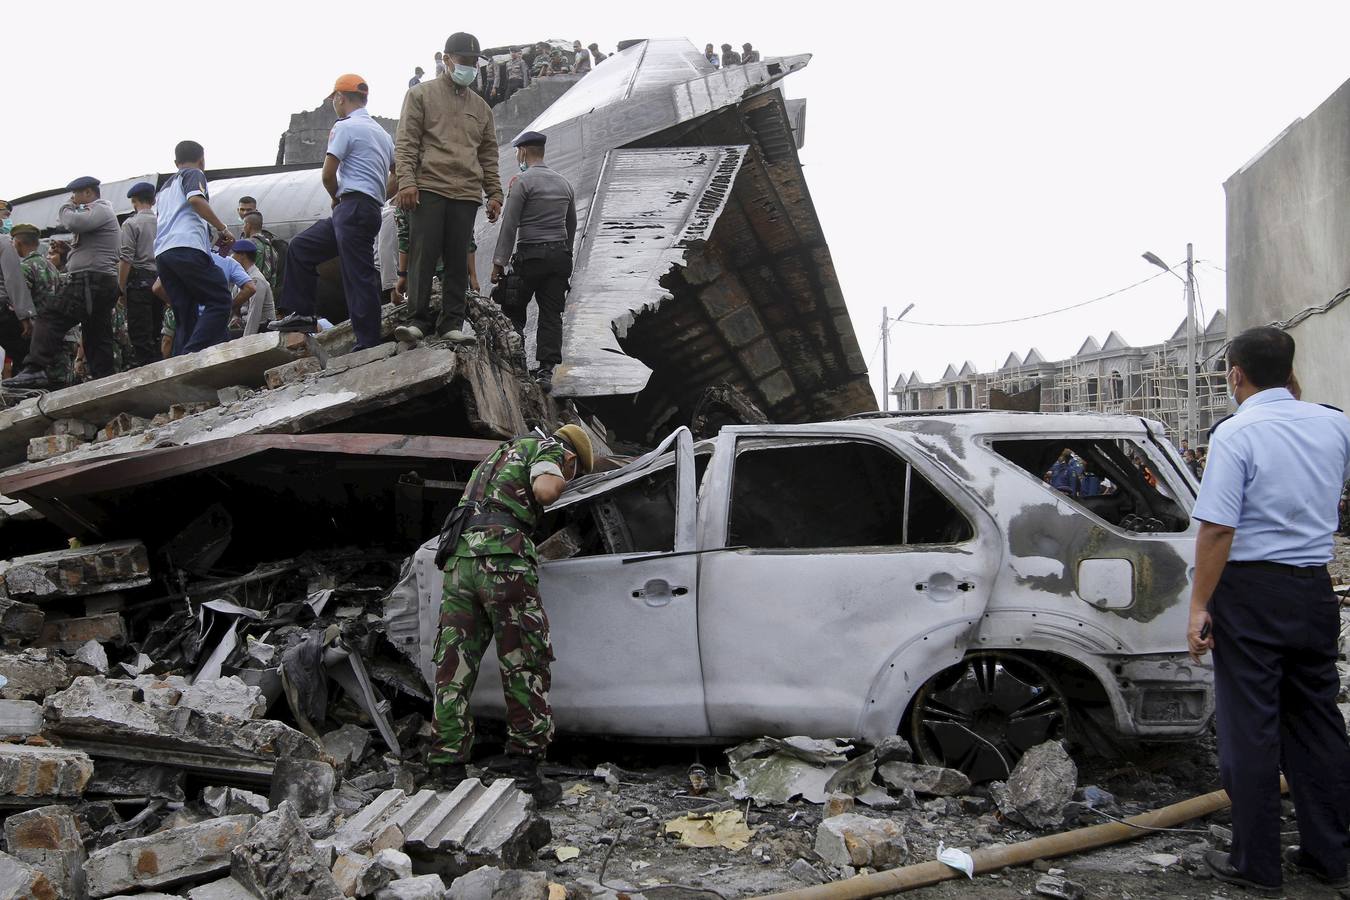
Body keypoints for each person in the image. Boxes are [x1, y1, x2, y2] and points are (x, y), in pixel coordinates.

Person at [1187, 326, 1350, 895]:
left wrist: (1200, 605)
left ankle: (1255, 863)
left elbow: (1217, 529)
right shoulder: (1335, 423)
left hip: (1251, 593)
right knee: (1319, 722)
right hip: (1312, 588)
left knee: (1250, 728)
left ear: (1236, 374)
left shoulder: (1237, 433)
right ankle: (1330, 854)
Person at [429, 424, 594, 802]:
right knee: (524, 661)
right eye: (574, 471)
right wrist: (557, 478)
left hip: (459, 562)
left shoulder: (497, 455)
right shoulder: (550, 449)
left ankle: (446, 768)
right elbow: (546, 489)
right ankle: (526, 772)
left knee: (453, 667)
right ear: (571, 459)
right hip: (503, 563)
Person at [269, 74, 395, 351]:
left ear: (340, 97)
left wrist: (336, 198)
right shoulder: (384, 135)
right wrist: (377, 196)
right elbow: (398, 175)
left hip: (350, 208)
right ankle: (301, 314)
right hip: (365, 209)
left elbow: (328, 174)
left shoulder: (345, 127)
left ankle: (368, 342)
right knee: (301, 247)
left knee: (357, 274)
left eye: (334, 100)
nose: (334, 105)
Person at [393, 32, 502, 345]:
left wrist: (494, 193)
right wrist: (407, 181)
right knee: (422, 255)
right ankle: (416, 320)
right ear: (446, 58)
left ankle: (451, 323)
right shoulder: (421, 95)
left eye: (472, 63)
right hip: (428, 186)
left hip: (466, 192)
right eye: (463, 61)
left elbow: (488, 154)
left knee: (457, 259)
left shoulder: (482, 109)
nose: (468, 67)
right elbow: (407, 142)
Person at [3, 177, 120, 389]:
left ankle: (35, 368)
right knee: (96, 334)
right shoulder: (98, 215)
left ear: (87, 192)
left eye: (75, 193)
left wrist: (67, 207)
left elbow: (73, 222)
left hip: (91, 281)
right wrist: (68, 253)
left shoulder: (101, 208)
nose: (73, 198)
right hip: (99, 281)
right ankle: (104, 380)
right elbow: (89, 250)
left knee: (51, 316)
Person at [491, 131, 576, 391]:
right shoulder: (564, 183)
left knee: (513, 307)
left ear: (524, 152)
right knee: (552, 315)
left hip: (530, 256)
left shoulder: (523, 182)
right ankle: (545, 373)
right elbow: (570, 224)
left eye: (518, 152)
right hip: (559, 257)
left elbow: (510, 225)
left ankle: (515, 364)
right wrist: (566, 253)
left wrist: (498, 263)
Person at [153, 141, 236, 355]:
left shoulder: (164, 190)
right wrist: (222, 229)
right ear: (202, 160)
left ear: (175, 161)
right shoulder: (193, 174)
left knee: (185, 313)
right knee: (219, 298)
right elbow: (196, 200)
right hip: (186, 246)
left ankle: (181, 360)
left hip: (163, 253)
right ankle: (193, 354)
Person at [10, 225, 69, 386]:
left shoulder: (25, 267)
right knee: (59, 382)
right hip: (58, 333)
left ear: (19, 243)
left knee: (35, 386)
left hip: (37, 336)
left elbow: (18, 301)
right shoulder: (51, 266)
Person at [119, 181, 160, 367]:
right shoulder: (163, 221)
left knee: (140, 333)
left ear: (134, 201)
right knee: (157, 330)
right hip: (160, 282)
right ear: (153, 200)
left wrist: (121, 287)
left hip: (138, 283)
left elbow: (126, 257)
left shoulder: (131, 224)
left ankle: (146, 371)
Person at [0, 224, 35, 373]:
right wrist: (25, 315)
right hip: (2, 309)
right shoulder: (4, 242)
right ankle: (23, 393)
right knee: (27, 354)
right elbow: (13, 279)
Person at [229, 240, 273, 336]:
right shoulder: (242, 278)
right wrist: (235, 318)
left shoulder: (256, 279)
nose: (231, 256)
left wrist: (246, 342)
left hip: (263, 329)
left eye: (234, 253)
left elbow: (255, 313)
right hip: (248, 325)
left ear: (242, 255)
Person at [240, 212, 280, 294]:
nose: (242, 228)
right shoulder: (271, 248)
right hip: (268, 294)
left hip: (250, 294)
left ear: (248, 225)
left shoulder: (247, 245)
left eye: (243, 225)